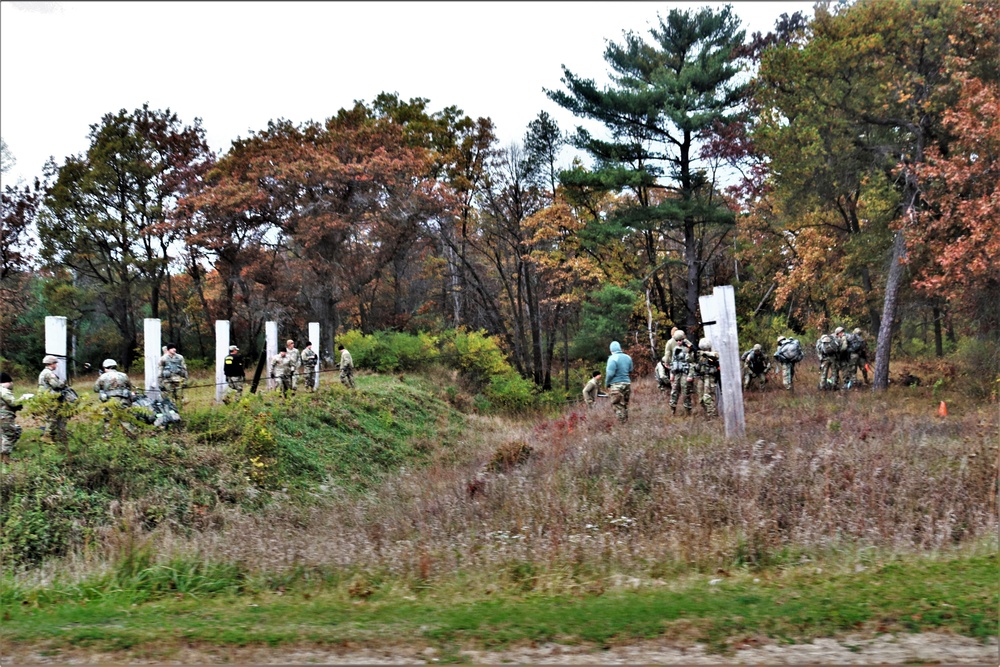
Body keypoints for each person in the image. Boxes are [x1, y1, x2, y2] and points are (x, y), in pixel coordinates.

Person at [94, 359, 135, 437]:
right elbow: (129, 386)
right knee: (125, 419)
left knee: (108, 420)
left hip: (110, 402)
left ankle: (108, 438)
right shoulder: (123, 375)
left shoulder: (103, 377)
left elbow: (96, 389)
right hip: (123, 401)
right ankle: (132, 436)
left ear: (105, 368)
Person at [37, 354, 68, 442]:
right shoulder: (49, 374)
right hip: (50, 397)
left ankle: (51, 435)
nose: (56, 365)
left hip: (45, 396)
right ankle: (47, 436)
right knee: (52, 417)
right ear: (51, 364)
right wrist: (63, 383)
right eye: (55, 363)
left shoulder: (44, 372)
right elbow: (56, 385)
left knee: (51, 416)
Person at [605, 341, 633, 423]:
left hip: (616, 385)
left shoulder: (612, 358)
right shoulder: (628, 357)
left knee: (617, 405)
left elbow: (610, 374)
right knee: (625, 404)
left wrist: (607, 383)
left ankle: (622, 425)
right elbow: (631, 370)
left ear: (611, 350)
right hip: (627, 383)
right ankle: (626, 422)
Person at [669, 332, 696, 415]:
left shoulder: (688, 349)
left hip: (685, 373)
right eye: (677, 340)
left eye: (680, 340)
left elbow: (692, 364)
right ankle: (672, 410)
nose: (678, 342)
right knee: (674, 391)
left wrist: (690, 375)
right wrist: (672, 374)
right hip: (677, 373)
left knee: (686, 392)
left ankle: (688, 412)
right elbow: (673, 362)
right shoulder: (675, 349)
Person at [1, 372, 25, 464]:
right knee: (9, 436)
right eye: (10, 382)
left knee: (2, 436)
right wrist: (23, 398)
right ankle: (6, 460)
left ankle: (2, 459)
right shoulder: (3, 390)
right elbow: (13, 403)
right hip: (5, 417)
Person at [695, 338, 721, 418]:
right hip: (701, 378)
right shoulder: (700, 355)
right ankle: (708, 413)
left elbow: (716, 356)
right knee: (701, 400)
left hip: (709, 378)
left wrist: (705, 353)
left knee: (708, 398)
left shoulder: (713, 354)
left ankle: (713, 416)